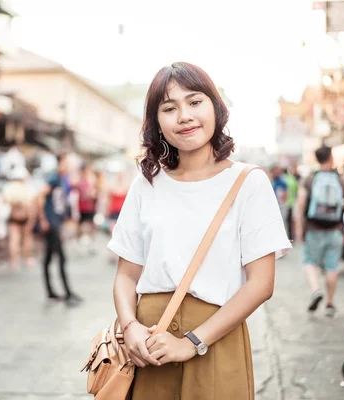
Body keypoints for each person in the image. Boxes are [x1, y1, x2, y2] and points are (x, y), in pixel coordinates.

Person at [109, 62, 291, 399]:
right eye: (169, 108)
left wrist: (192, 343)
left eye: (195, 102)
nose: (184, 116)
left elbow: (261, 283)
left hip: (216, 340)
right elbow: (126, 275)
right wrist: (130, 326)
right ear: (156, 123)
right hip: (149, 345)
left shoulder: (248, 182)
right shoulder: (146, 185)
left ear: (216, 108)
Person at [293, 146, 344, 318]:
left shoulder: (310, 178)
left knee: (310, 262)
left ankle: (315, 290)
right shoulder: (341, 179)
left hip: (313, 229)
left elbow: (300, 205)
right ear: (331, 157)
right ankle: (330, 303)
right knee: (332, 266)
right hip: (335, 229)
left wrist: (299, 229)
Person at [37, 153, 82, 304]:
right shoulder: (54, 178)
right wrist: (43, 219)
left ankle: (52, 293)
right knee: (60, 258)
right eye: (67, 162)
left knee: (49, 259)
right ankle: (67, 293)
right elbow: (41, 196)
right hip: (51, 223)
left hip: (56, 221)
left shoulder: (63, 179)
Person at [2, 166, 36, 271]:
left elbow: (5, 201)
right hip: (25, 216)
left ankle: (14, 262)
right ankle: (27, 259)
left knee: (14, 240)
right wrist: (32, 218)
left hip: (14, 217)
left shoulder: (9, 187)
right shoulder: (27, 188)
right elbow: (32, 204)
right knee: (26, 239)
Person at [73, 164, 98, 253]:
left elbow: (94, 194)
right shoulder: (79, 181)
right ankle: (79, 242)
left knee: (91, 225)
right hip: (82, 207)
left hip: (90, 207)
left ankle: (91, 244)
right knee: (80, 226)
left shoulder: (91, 181)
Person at [271, 165, 289, 232]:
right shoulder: (272, 181)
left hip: (281, 205)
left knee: (283, 222)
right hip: (275, 205)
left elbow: (285, 194)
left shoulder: (282, 181)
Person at [284, 167, 299, 240]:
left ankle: (287, 237)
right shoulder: (292, 178)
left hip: (285, 203)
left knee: (285, 221)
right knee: (291, 221)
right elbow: (297, 189)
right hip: (292, 202)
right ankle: (291, 236)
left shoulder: (283, 179)